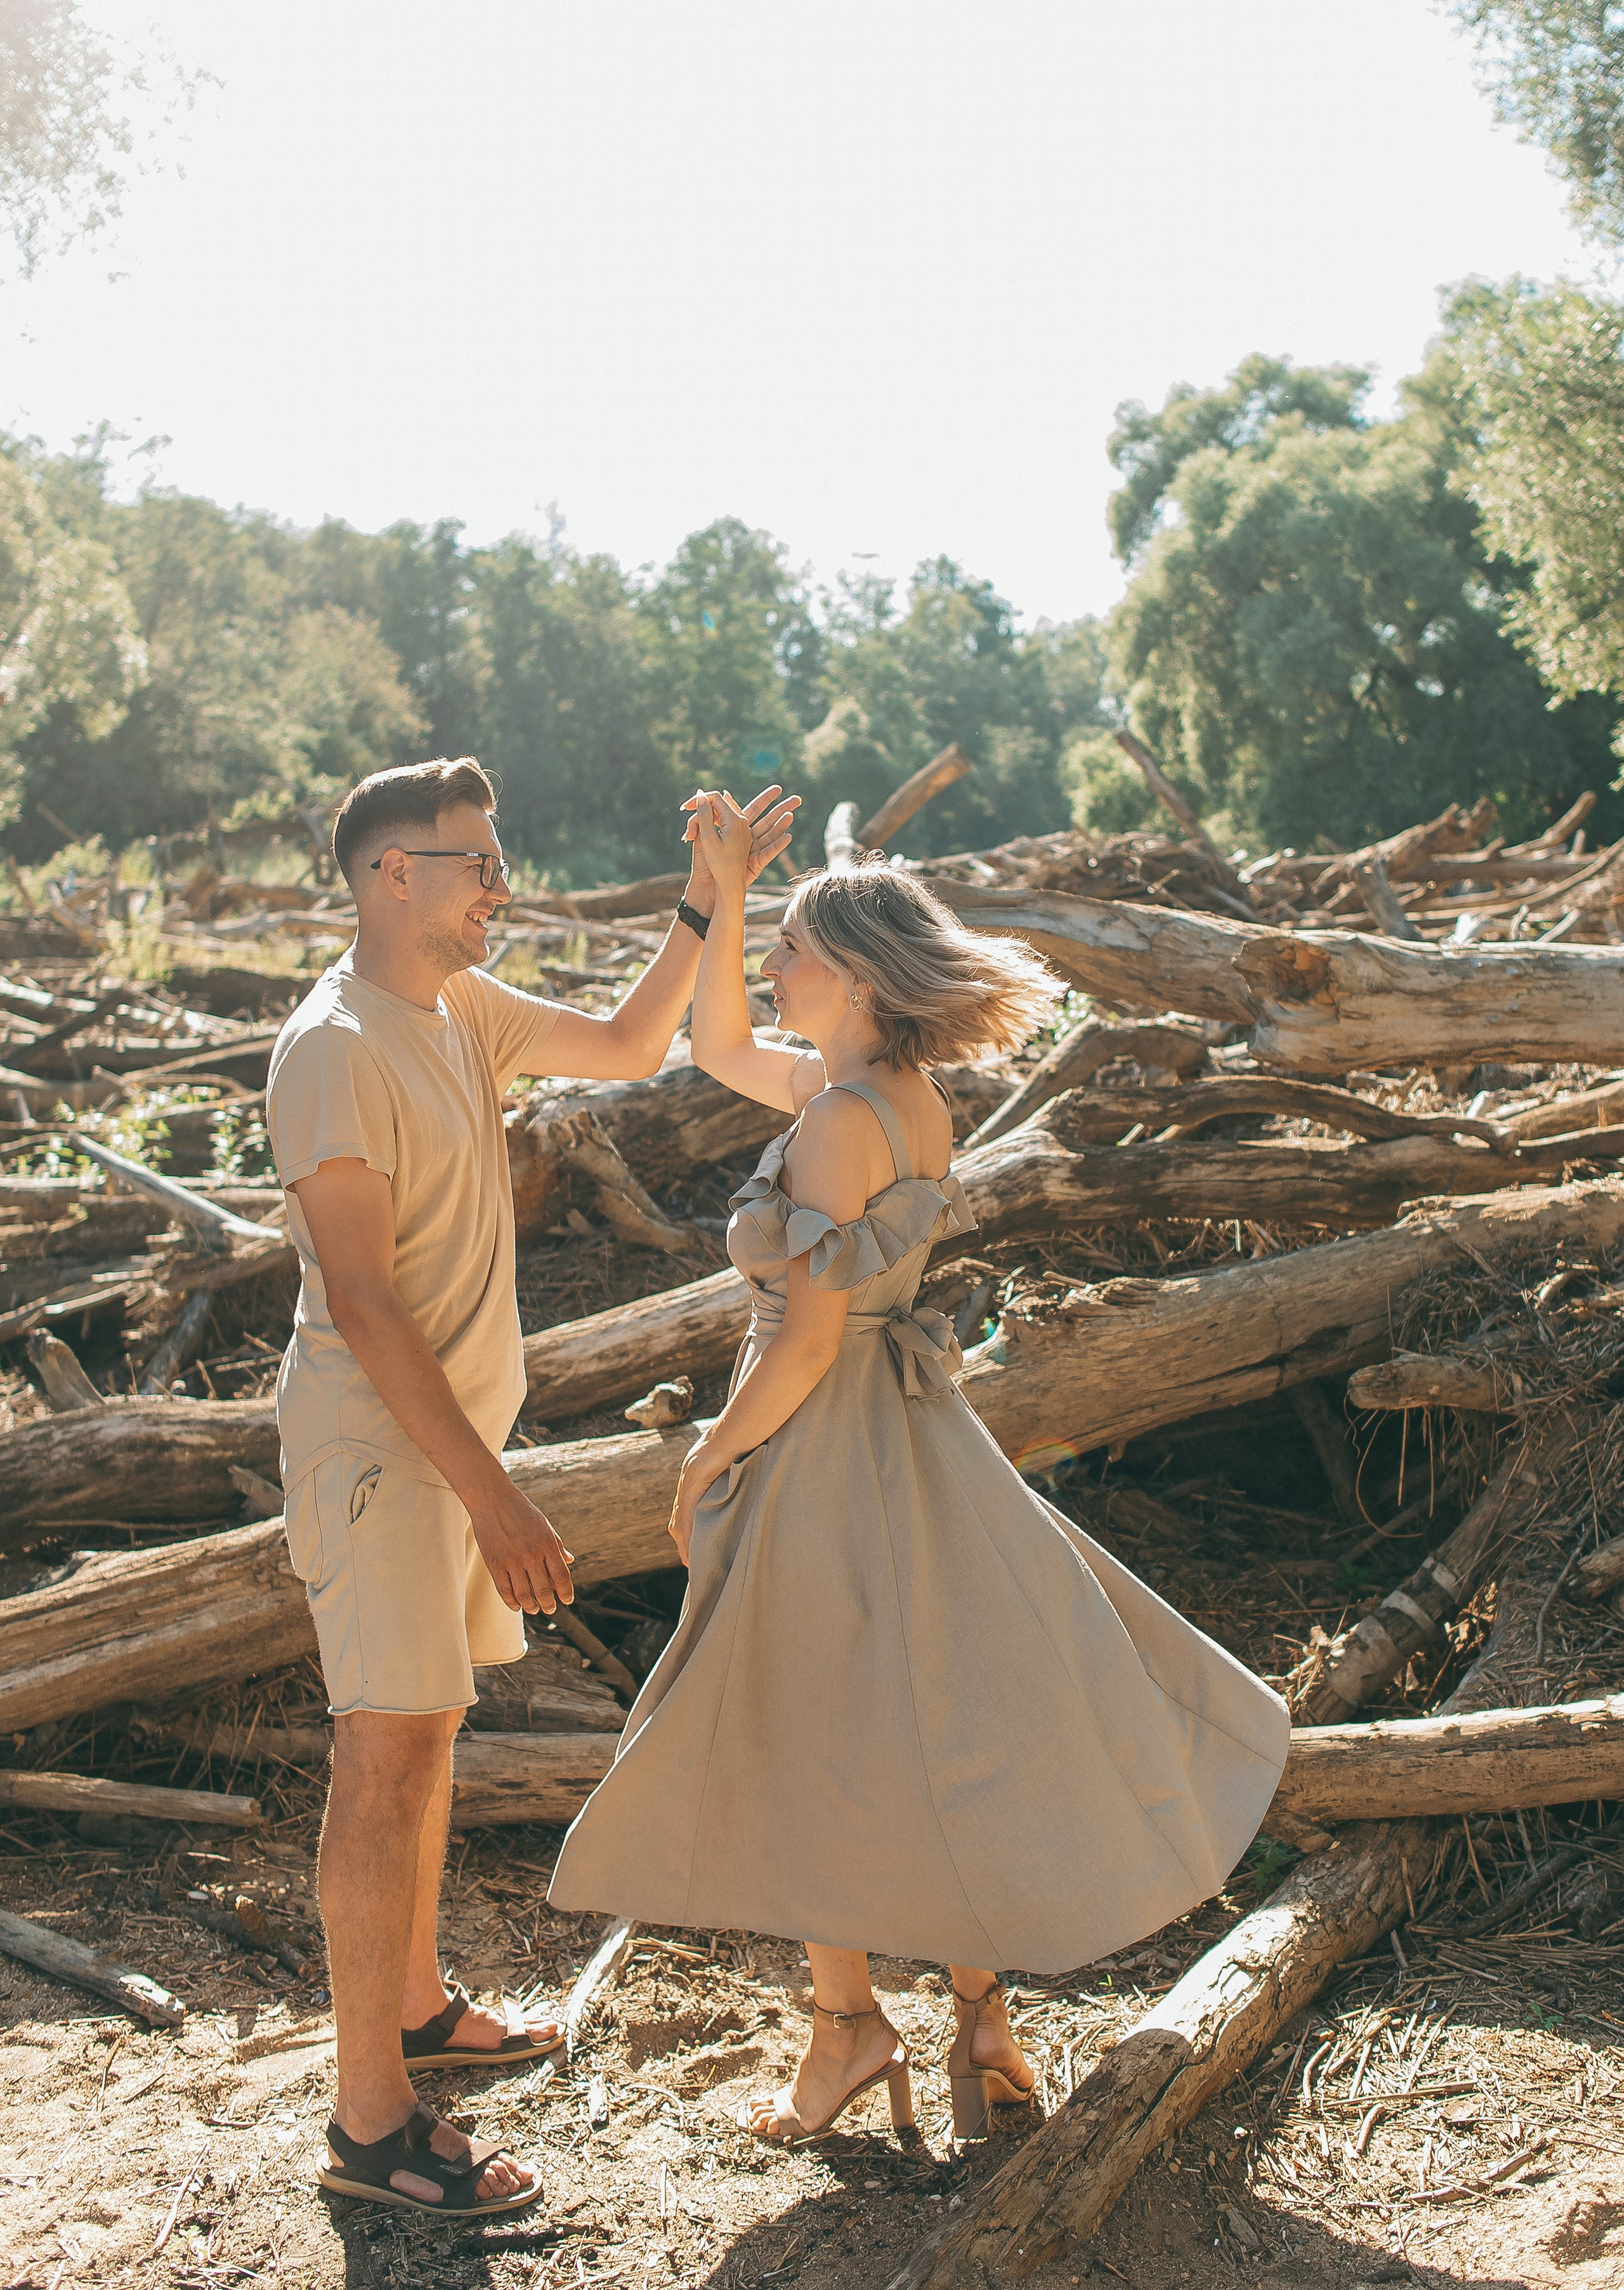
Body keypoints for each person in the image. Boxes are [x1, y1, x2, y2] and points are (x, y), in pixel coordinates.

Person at [549, 792, 1290, 2147]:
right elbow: (711, 1040)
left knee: (814, 1724)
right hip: (905, 1433)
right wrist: (712, 887)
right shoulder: (889, 1097)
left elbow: (810, 1334)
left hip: (824, 1434)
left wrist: (711, 1450)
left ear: (856, 974)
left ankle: (847, 2028)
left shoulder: (836, 1121)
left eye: (788, 949)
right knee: (927, 1717)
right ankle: (979, 2028)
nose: (771, 968)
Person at [266, 756, 797, 2215]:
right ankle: (370, 2126)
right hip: (383, 1455)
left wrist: (710, 896)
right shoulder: (331, 1046)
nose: (501, 884)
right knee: (382, 1758)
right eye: (474, 862)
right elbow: (366, 1309)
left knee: (426, 1735)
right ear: (390, 876)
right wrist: (495, 1494)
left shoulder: (461, 1011)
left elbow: (636, 1047)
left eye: (498, 859)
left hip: (442, 1453)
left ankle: (418, 2010)